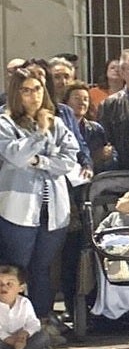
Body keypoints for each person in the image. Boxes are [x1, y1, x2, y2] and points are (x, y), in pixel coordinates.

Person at [0, 68, 79, 328]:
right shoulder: (5, 122)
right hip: (17, 208)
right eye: (26, 90)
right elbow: (16, 156)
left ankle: (40, 321)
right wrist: (40, 133)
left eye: (37, 89)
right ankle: (10, 323)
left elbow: (69, 160)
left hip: (54, 208)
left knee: (43, 269)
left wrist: (39, 160)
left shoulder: (57, 122)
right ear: (16, 94)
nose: (33, 96)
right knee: (15, 269)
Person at [0, 263, 51, 349]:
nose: (3, 287)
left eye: (9, 284)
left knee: (43, 336)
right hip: (4, 341)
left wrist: (24, 335)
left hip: (22, 340)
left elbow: (33, 323)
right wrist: (11, 340)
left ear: (21, 288)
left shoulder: (24, 303)